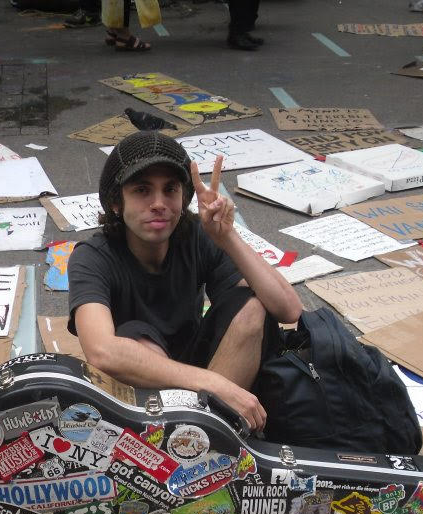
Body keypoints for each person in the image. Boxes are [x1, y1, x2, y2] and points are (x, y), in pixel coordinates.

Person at [67, 131, 302, 432]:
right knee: (134, 335)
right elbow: (102, 351)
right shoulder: (92, 257)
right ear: (116, 203)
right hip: (144, 398)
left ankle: (206, 434)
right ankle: (198, 432)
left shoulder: (197, 236)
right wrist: (213, 385)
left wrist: (227, 237)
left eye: (170, 189)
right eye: (142, 190)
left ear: (184, 198)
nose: (158, 203)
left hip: (208, 372)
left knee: (252, 304)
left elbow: (289, 310)